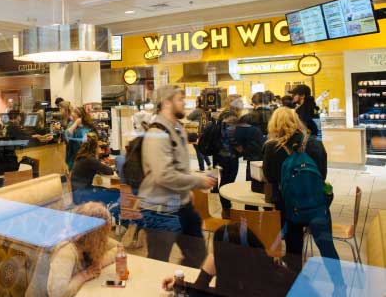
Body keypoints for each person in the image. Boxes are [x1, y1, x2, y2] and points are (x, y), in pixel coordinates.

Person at [139, 85, 216, 267]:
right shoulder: (157, 133)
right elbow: (164, 176)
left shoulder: (176, 128)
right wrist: (198, 181)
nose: (184, 104)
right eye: (180, 100)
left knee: (197, 257)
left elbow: (179, 167)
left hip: (182, 207)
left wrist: (186, 189)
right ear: (166, 102)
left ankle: (184, 287)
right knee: (158, 264)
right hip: (160, 211)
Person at [263, 107, 343, 281]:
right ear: (296, 121)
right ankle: (339, 285)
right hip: (316, 206)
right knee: (327, 247)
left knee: (293, 249)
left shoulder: (271, 147)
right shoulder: (314, 143)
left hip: (288, 208)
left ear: (273, 124)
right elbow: (322, 174)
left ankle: (296, 281)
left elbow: (269, 177)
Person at [161, 223, 298, 297]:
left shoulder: (236, 287)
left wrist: (206, 273)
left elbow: (202, 292)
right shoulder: (277, 274)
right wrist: (180, 285)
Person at [27, 202, 118, 297]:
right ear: (96, 236)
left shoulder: (82, 236)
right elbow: (57, 293)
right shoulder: (66, 250)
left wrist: (99, 263)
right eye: (104, 234)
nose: (106, 238)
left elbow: (119, 248)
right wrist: (85, 275)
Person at [71, 132, 114, 205]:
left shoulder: (81, 156)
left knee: (103, 190)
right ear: (95, 147)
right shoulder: (90, 159)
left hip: (76, 193)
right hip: (83, 194)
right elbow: (109, 171)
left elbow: (92, 169)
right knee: (112, 194)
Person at [64, 107, 95, 171]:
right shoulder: (71, 124)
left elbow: (85, 142)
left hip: (83, 157)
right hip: (71, 156)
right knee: (70, 174)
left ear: (80, 117)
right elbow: (67, 138)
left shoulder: (86, 127)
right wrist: (75, 124)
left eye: (74, 116)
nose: (71, 117)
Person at [187, 98, 211, 171]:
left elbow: (188, 117)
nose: (195, 102)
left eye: (196, 101)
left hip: (197, 132)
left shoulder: (197, 110)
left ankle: (202, 168)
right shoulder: (206, 111)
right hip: (204, 132)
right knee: (202, 149)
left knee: (198, 150)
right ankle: (209, 164)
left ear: (199, 103)